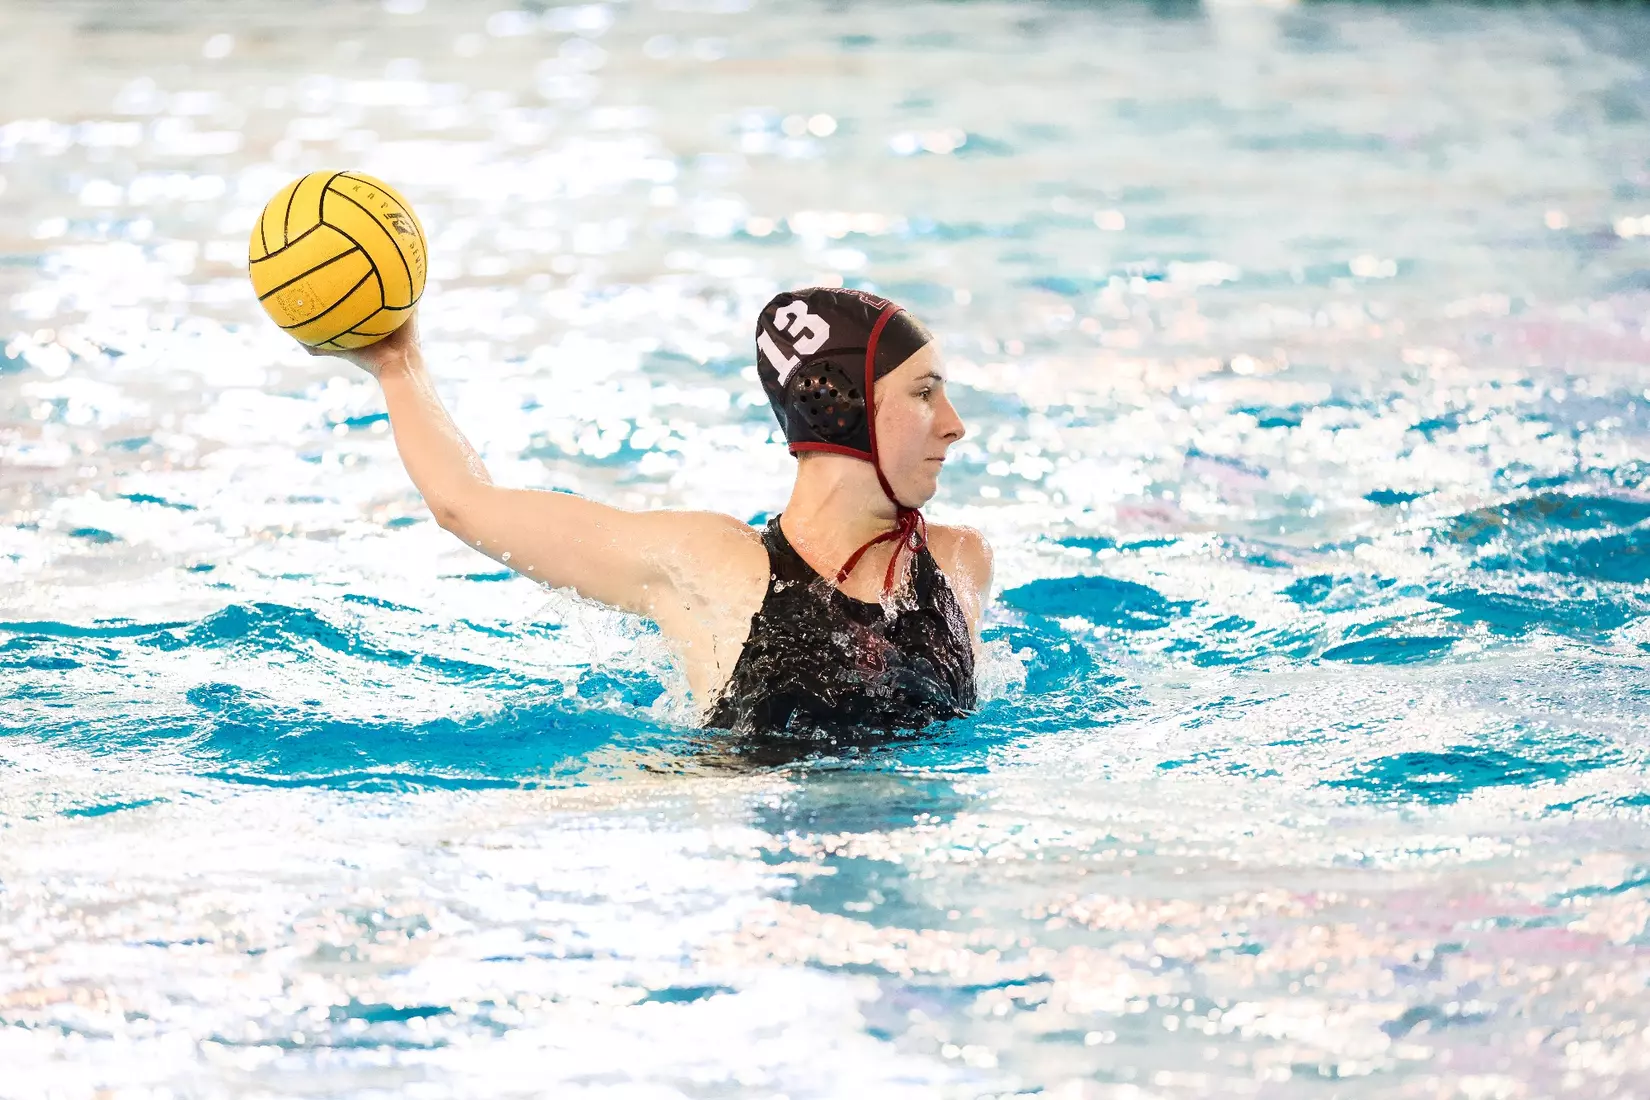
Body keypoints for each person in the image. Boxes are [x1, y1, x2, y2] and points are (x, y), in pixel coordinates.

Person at [316, 287, 992, 733]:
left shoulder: (961, 565)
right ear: (841, 407)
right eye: (926, 393)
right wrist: (397, 364)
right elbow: (467, 506)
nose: (955, 424)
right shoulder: (713, 568)